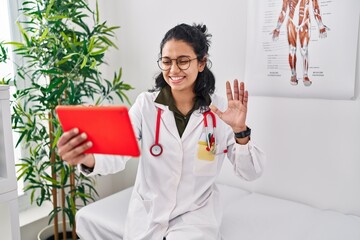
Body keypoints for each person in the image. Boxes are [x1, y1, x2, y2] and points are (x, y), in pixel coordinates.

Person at [57, 23, 265, 240]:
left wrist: (240, 130)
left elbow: (251, 173)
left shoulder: (221, 111)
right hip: (149, 213)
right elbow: (119, 152)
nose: (173, 70)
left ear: (202, 62)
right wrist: (89, 158)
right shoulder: (146, 105)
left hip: (196, 216)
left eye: (183, 61)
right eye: (167, 62)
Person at [272, 0, 329, 86]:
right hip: (291, 22)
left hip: (305, 22)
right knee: (292, 49)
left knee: (304, 50)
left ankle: (305, 75)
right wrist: (277, 28)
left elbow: (315, 7)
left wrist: (320, 25)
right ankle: (293, 74)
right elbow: (284, 10)